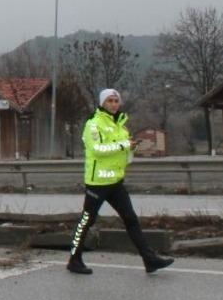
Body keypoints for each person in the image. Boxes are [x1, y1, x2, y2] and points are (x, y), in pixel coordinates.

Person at [68, 89, 174, 275]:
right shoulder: (93, 124)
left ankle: (150, 260)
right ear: (102, 103)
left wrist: (131, 147)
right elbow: (98, 149)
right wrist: (124, 145)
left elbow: (121, 151)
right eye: (110, 100)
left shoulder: (120, 125)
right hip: (97, 182)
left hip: (115, 181)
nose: (114, 104)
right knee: (87, 221)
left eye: (116, 100)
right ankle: (74, 260)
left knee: (131, 219)